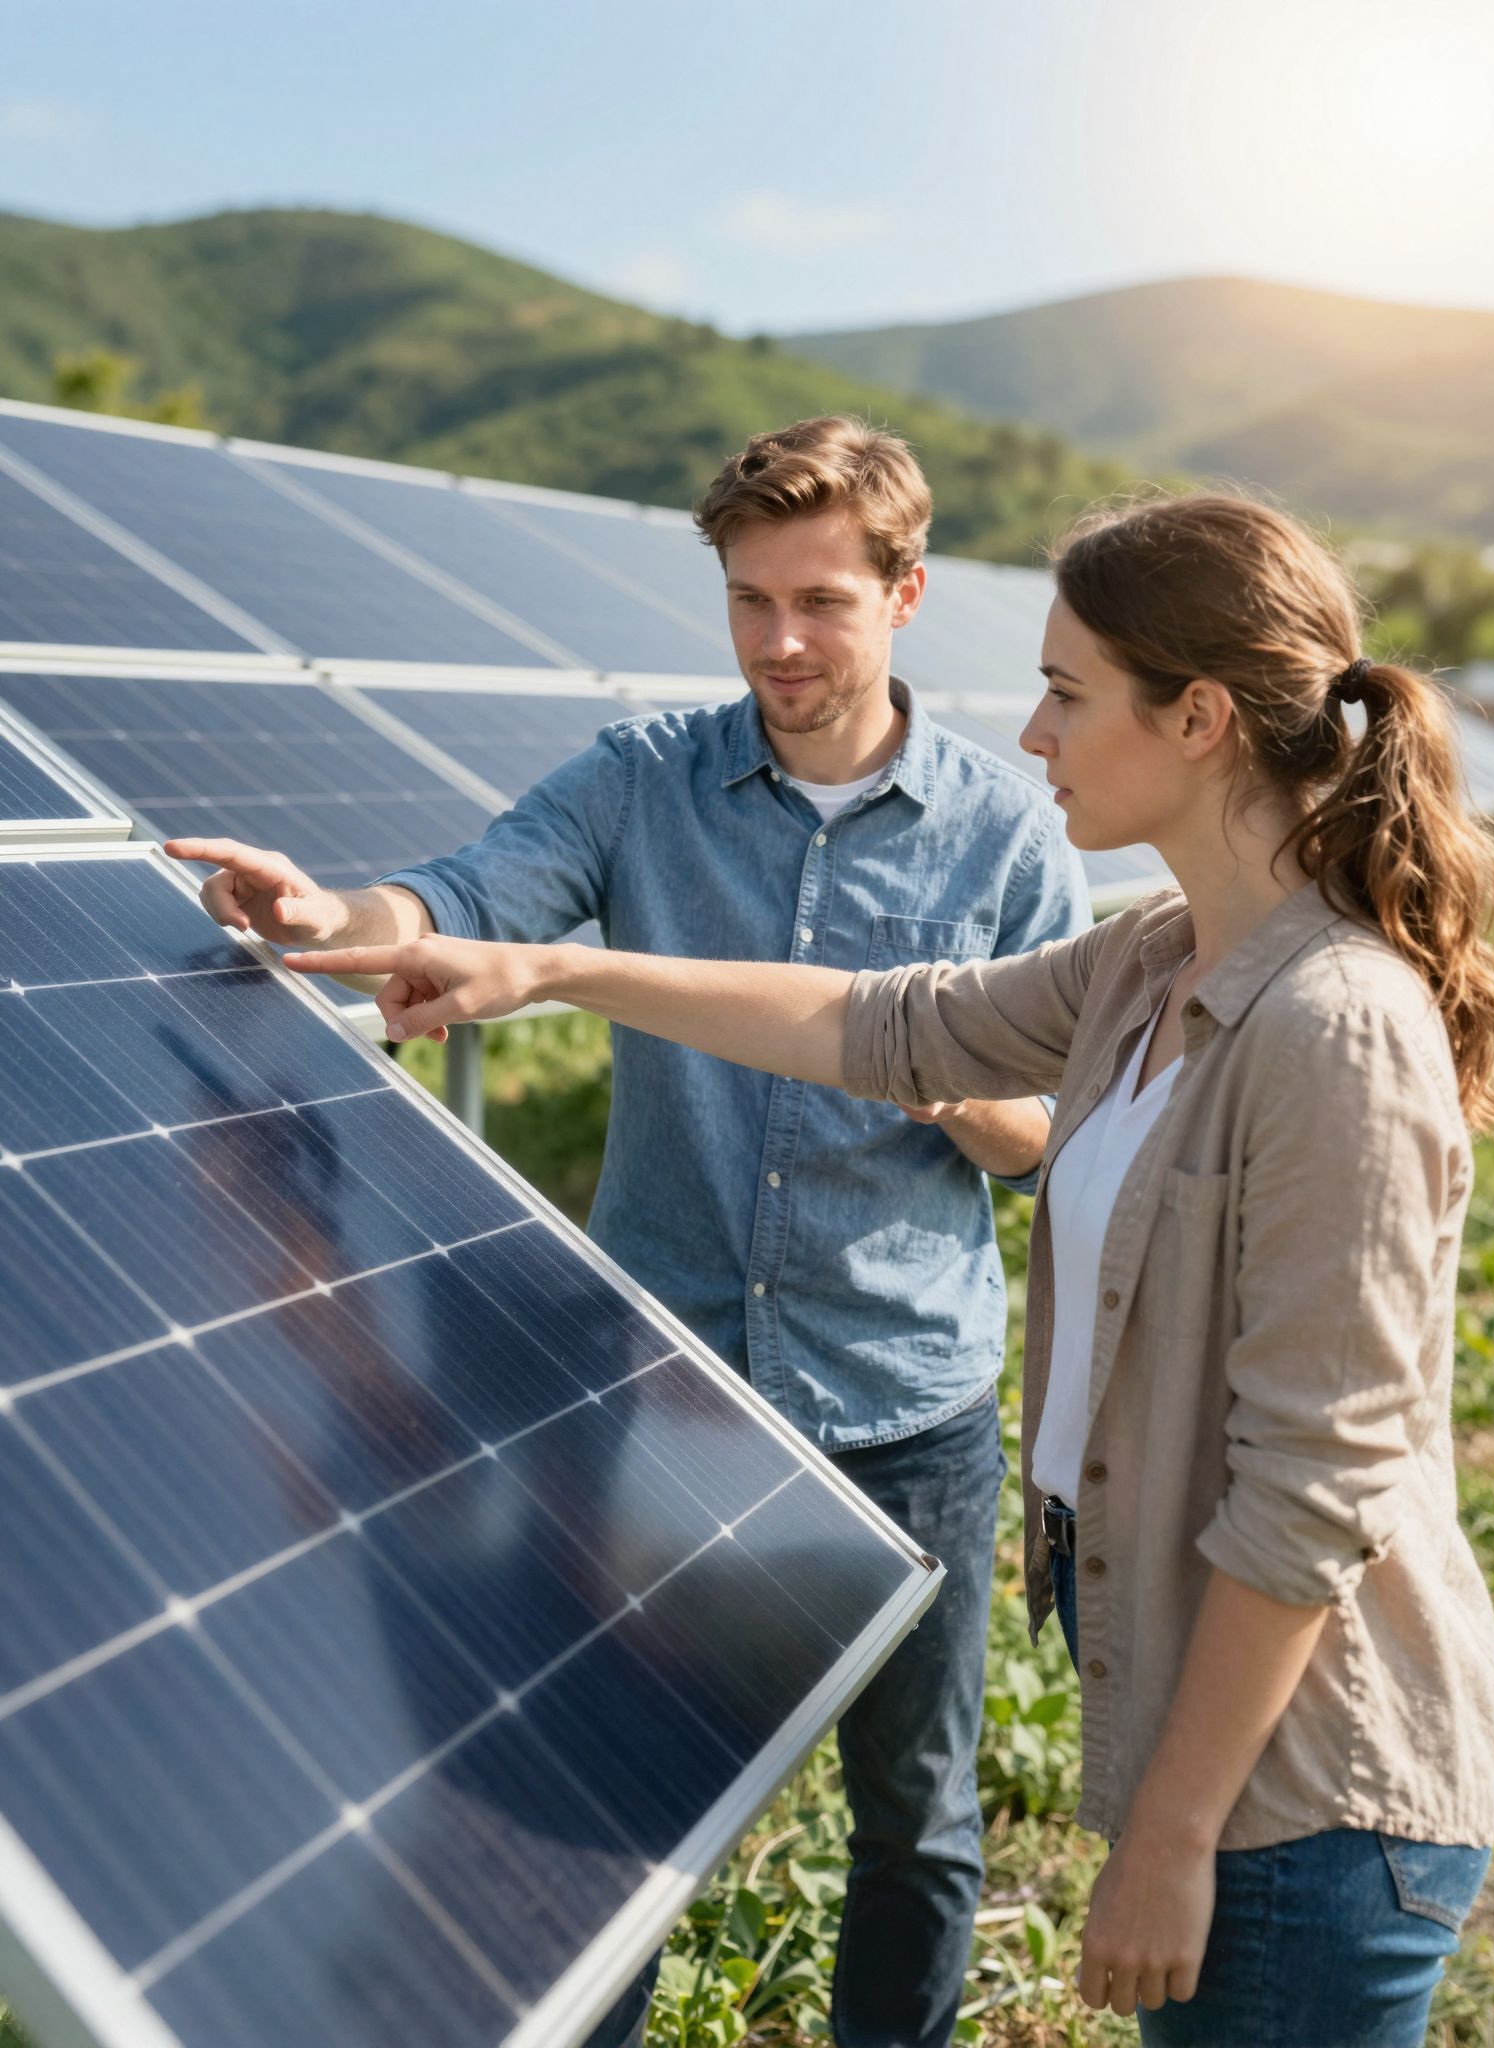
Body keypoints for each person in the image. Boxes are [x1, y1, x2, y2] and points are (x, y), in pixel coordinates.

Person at [297, 491, 1494, 2048]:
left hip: (1308, 1790)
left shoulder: (1332, 1024)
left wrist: (1170, 1834)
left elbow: (1316, 1482)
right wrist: (542, 968)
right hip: (1227, 1762)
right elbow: (883, 1024)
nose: (1032, 729)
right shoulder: (1153, 960)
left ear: (1200, 717)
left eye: (1071, 692)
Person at [169, 414, 1091, 2048]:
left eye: (821, 599)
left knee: (922, 1822)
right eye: (750, 601)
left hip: (904, 1402)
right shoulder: (642, 782)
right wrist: (330, 915)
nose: (782, 642)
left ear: (908, 594)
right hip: (664, 1390)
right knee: (614, 1803)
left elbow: (1043, 1142)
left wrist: (916, 1055)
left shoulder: (1007, 837)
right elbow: (468, 893)